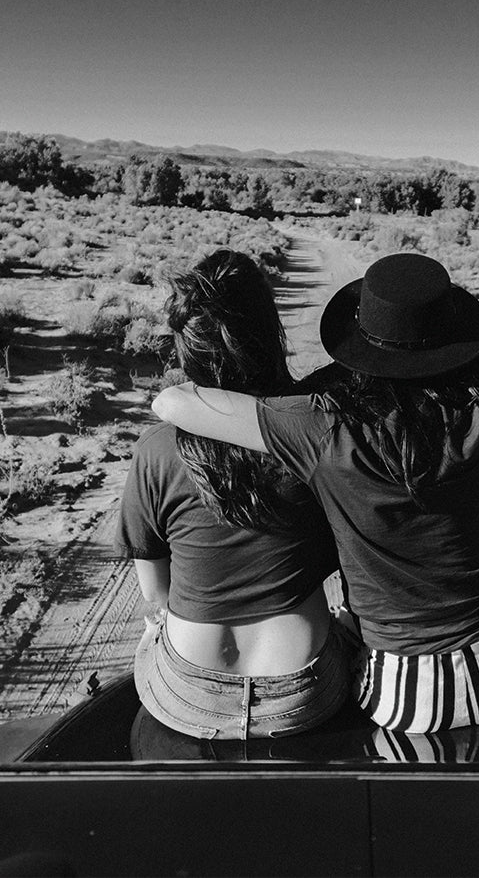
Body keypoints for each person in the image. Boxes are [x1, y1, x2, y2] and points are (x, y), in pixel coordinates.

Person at [151, 56, 479, 733]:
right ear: (449, 339)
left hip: (407, 688)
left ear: (361, 341)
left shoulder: (322, 423)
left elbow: (174, 404)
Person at [118, 249, 350, 740]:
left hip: (187, 693)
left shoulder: (156, 449)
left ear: (187, 346)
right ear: (271, 333)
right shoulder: (312, 433)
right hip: (303, 693)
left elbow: (155, 594)